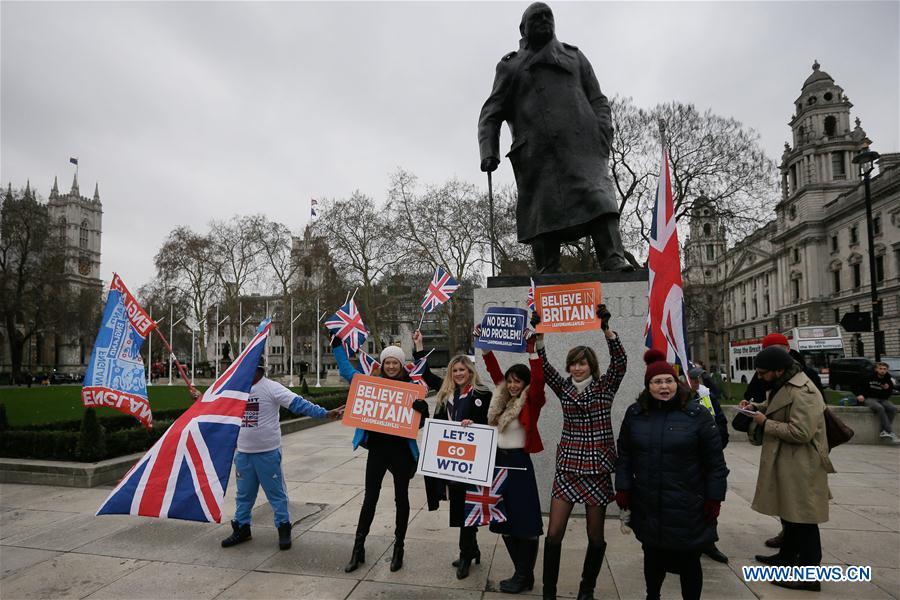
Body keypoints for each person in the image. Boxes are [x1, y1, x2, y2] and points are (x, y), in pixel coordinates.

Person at [477, 2, 630, 273]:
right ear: (523, 28)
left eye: (548, 16)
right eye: (536, 17)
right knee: (543, 213)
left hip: (583, 148)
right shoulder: (511, 68)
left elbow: (598, 99)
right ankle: (548, 269)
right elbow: (491, 112)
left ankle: (612, 257)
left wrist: (602, 131)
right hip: (537, 155)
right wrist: (489, 151)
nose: (544, 20)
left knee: (599, 198)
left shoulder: (575, 57)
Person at [615, 351, 728, 600]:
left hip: (687, 504)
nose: (664, 386)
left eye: (668, 380)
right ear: (648, 386)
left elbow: (716, 463)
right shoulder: (635, 414)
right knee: (653, 557)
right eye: (657, 382)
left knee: (689, 561)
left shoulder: (697, 414)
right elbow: (624, 455)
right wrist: (623, 488)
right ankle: (652, 596)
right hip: (649, 502)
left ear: (676, 382)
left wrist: (714, 499)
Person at [534, 304, 626, 600]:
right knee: (554, 533)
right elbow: (545, 369)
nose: (576, 367)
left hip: (597, 470)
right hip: (569, 467)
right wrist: (539, 339)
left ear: (591, 366)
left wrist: (606, 328)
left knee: (595, 536)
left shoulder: (605, 387)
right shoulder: (564, 388)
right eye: (573, 363)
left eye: (582, 363)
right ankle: (549, 591)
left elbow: (621, 362)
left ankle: (587, 589)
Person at [334, 331, 437, 573]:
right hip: (378, 450)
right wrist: (338, 346)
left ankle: (398, 547)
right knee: (370, 498)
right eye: (387, 362)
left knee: (401, 499)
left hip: (401, 451)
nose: (391, 366)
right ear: (383, 364)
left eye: (395, 363)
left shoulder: (411, 387)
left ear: (401, 365)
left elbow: (419, 424)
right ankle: (358, 548)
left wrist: (423, 410)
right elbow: (347, 372)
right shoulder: (371, 383)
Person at [221, 356, 342, 550]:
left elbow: (298, 404)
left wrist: (324, 413)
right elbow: (216, 406)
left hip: (267, 453)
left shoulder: (271, 388)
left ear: (260, 369)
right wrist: (199, 400)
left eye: (250, 368)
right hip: (243, 453)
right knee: (243, 495)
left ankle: (284, 529)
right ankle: (242, 528)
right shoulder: (236, 389)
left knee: (276, 495)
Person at [740, 346, 835, 592]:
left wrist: (765, 423)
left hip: (802, 463)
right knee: (790, 514)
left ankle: (809, 575)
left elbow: (801, 432)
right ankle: (786, 557)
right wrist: (756, 408)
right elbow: (775, 406)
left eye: (762, 373)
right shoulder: (785, 383)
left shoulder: (804, 391)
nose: (759, 377)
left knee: (804, 520)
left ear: (779, 370)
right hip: (787, 461)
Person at [474, 323, 546, 593]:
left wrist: (533, 351)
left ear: (525, 383)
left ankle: (523, 574)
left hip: (519, 465)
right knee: (503, 522)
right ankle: (522, 573)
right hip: (497, 466)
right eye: (511, 380)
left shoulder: (531, 400)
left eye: (518, 381)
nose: (513, 385)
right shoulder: (501, 398)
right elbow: (495, 373)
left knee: (525, 523)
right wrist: (483, 345)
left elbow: (539, 382)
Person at [430, 354, 491, 580]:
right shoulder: (446, 395)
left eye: (462, 370)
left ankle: (466, 554)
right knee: (458, 507)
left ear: (470, 372)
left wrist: (475, 425)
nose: (458, 374)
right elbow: (437, 422)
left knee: (468, 508)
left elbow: (490, 422)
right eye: (454, 370)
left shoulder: (482, 393)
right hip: (451, 460)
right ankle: (472, 548)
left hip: (472, 461)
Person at [687, 366, 730, 564]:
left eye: (696, 379)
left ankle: (708, 542)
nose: (693, 383)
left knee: (710, 503)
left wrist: (714, 442)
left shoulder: (707, 398)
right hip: (685, 461)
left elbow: (721, 424)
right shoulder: (674, 399)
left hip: (707, 460)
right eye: (689, 379)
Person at [854, 362, 898, 442]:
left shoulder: (888, 380)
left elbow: (888, 393)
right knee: (879, 408)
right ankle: (889, 431)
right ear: (876, 369)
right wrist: (859, 395)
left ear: (887, 370)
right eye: (880, 369)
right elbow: (854, 385)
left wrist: (886, 389)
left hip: (882, 399)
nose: (882, 371)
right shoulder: (868, 377)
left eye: (884, 369)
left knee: (893, 408)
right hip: (869, 398)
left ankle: (883, 431)